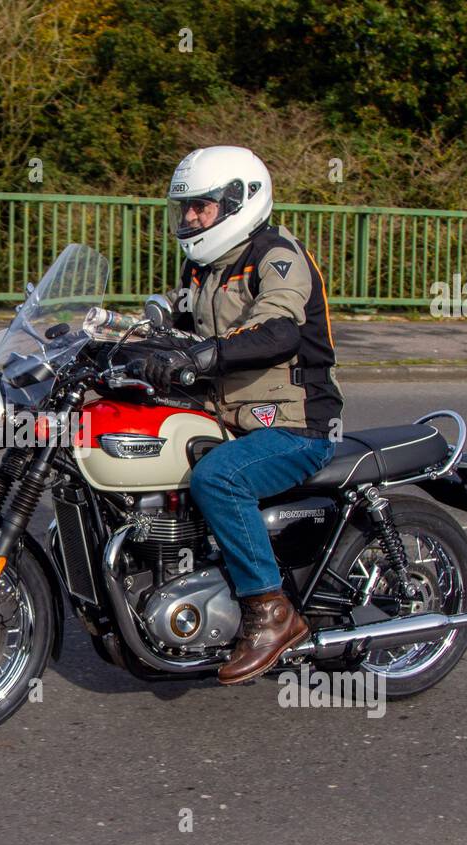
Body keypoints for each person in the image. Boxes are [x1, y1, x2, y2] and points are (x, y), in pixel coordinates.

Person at [144, 145, 344, 685]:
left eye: (201, 207)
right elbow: (176, 322)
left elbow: (277, 329)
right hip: (227, 413)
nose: (189, 218)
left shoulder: (275, 256)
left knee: (220, 476)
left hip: (294, 425)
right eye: (184, 208)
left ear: (240, 202)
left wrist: (205, 355)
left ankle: (270, 610)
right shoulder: (203, 266)